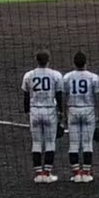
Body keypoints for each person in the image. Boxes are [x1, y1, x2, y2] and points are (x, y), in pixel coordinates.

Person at [21, 50, 63, 184]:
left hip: (35, 111)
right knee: (50, 143)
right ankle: (47, 173)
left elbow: (26, 96)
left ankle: (39, 174)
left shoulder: (29, 75)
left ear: (37, 60)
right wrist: (61, 111)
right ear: (48, 60)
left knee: (36, 143)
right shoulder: (55, 75)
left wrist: (27, 112)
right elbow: (59, 95)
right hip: (50, 110)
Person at [62, 51, 99, 183]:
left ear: (74, 63)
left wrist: (63, 113)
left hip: (72, 110)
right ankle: (86, 172)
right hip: (88, 110)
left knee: (73, 144)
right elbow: (97, 98)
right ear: (86, 63)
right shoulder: (93, 77)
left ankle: (76, 173)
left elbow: (64, 97)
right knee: (87, 143)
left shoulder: (67, 77)